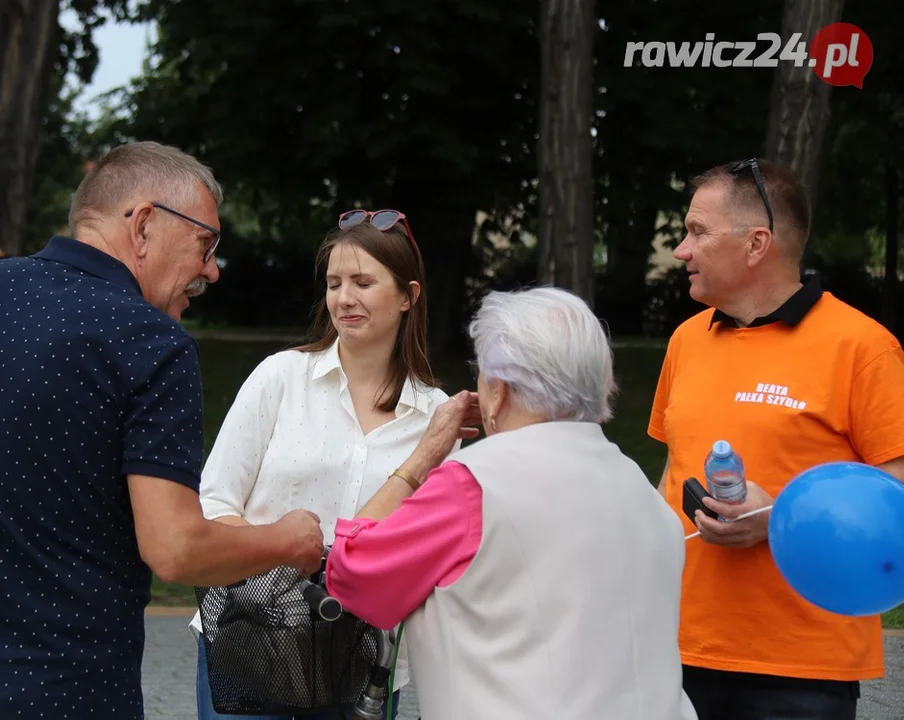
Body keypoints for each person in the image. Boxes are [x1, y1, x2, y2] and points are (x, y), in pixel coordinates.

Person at [0, 141, 324, 719]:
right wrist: (287, 541)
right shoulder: (153, 344)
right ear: (142, 225)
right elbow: (176, 548)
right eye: (206, 243)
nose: (210, 269)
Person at [325, 286, 698, 720]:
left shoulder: (475, 483)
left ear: (498, 392)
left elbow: (352, 576)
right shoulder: (640, 489)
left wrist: (422, 458)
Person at [649, 157, 904, 720]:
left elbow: (897, 496)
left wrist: (781, 517)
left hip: (802, 665)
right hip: (676, 651)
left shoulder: (863, 347)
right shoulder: (687, 341)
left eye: (696, 232)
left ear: (756, 243)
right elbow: (671, 472)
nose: (681, 251)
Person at [192, 209, 451, 720]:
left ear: (407, 296)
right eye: (334, 283)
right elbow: (215, 498)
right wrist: (277, 587)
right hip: (251, 639)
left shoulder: (437, 419)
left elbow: (430, 548)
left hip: (362, 660)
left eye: (362, 282)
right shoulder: (281, 378)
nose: (344, 298)